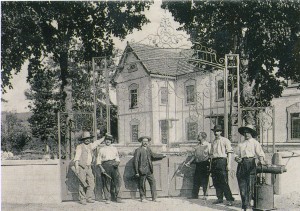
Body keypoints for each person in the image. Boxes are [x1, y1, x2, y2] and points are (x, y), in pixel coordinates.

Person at [235, 124, 265, 211]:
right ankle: (244, 204)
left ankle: (248, 205)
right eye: (244, 132)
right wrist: (237, 158)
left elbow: (260, 153)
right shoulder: (241, 144)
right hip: (241, 164)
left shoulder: (255, 143)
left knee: (250, 185)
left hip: (251, 163)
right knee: (242, 185)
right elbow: (236, 154)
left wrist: (261, 160)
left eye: (248, 132)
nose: (246, 134)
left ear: (251, 133)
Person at [133, 136, 166, 202]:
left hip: (149, 170)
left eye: (147, 141)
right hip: (141, 170)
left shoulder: (148, 149)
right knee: (142, 184)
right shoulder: (138, 150)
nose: (145, 143)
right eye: (144, 141)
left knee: (153, 182)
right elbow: (135, 161)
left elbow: (153, 156)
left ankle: (154, 198)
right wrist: (136, 172)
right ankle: (143, 198)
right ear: (141, 142)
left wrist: (162, 155)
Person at [74, 131, 102, 205]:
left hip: (89, 167)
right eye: (86, 138)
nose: (87, 140)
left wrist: (104, 137)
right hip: (81, 167)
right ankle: (82, 199)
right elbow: (76, 158)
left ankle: (88, 197)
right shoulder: (79, 147)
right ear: (83, 139)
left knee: (91, 182)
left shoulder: (90, 146)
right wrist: (77, 168)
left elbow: (97, 143)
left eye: (89, 138)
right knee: (82, 183)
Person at [210, 125, 235, 206]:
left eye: (217, 131)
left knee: (224, 181)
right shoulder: (213, 142)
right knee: (216, 181)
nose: (216, 133)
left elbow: (229, 153)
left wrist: (229, 164)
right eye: (215, 131)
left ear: (221, 132)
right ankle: (219, 198)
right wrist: (211, 165)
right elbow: (211, 154)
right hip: (214, 161)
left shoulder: (225, 140)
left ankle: (229, 199)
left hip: (222, 161)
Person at [96, 134, 122, 204]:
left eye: (109, 140)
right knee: (106, 182)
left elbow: (117, 158)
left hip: (114, 166)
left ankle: (118, 198)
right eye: (107, 140)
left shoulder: (114, 148)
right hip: (105, 166)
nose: (108, 141)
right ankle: (108, 198)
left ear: (111, 141)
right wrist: (102, 168)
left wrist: (117, 163)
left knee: (117, 182)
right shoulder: (101, 149)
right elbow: (98, 160)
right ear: (105, 141)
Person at [186, 132, 211, 200]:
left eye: (199, 136)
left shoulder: (208, 145)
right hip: (198, 164)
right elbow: (194, 156)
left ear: (202, 137)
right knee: (196, 180)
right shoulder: (197, 145)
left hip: (205, 164)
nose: (197, 137)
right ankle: (194, 195)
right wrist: (189, 162)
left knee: (205, 180)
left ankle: (205, 195)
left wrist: (210, 165)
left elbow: (210, 155)